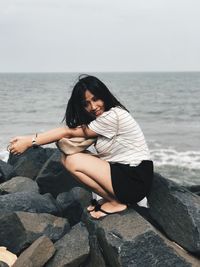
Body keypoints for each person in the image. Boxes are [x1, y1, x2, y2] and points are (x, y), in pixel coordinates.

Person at [9, 75, 153, 219]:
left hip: (135, 179)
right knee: (66, 159)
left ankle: (116, 202)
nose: (93, 107)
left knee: (73, 161)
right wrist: (27, 138)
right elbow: (68, 131)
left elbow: (66, 131)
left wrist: (30, 142)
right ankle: (111, 198)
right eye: (86, 103)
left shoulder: (113, 116)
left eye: (96, 99)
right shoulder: (101, 119)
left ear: (104, 96)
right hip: (125, 172)